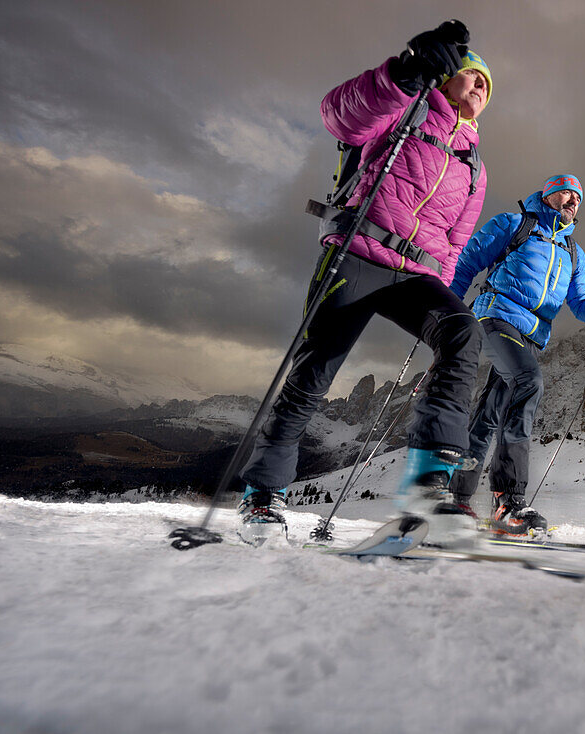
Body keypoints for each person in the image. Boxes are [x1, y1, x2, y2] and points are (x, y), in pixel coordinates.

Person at [235, 20, 492, 545]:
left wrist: (440, 295)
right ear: (446, 77)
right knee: (314, 376)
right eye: (473, 76)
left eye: (489, 86)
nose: (480, 88)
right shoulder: (404, 105)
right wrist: (405, 72)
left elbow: (456, 239)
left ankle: (428, 482)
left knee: (463, 331)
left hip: (414, 274)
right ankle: (262, 492)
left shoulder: (475, 166)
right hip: (355, 253)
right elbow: (340, 116)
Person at [447, 174, 585, 534]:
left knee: (491, 412)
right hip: (496, 317)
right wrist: (445, 310)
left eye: (579, 199)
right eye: (567, 193)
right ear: (548, 195)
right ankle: (508, 501)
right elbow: (467, 263)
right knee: (528, 380)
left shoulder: (574, 254)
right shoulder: (514, 224)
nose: (573, 201)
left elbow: (583, 304)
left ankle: (457, 500)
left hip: (532, 336)